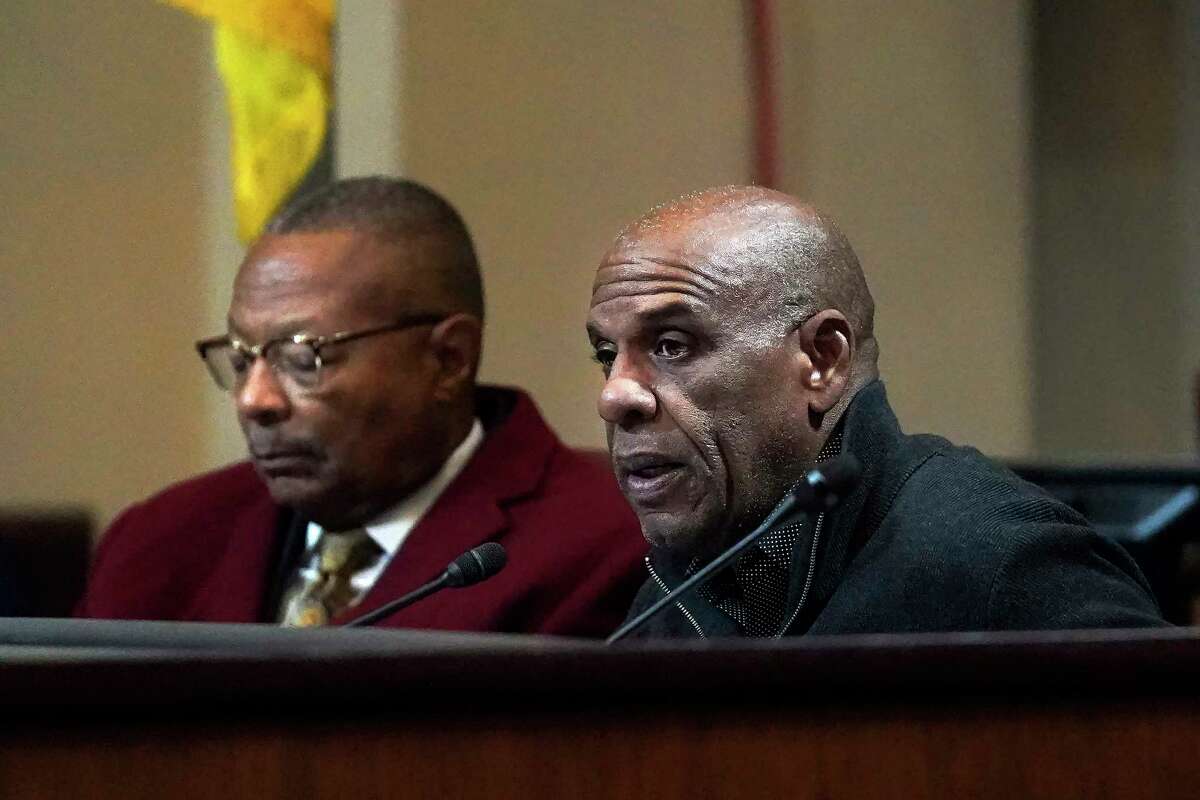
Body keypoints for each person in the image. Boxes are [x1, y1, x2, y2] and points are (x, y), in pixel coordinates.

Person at [586, 185, 1164, 638]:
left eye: (672, 347)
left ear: (822, 358)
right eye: (607, 355)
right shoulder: (671, 598)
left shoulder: (999, 561)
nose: (615, 396)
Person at [78, 177, 646, 635]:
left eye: (302, 357)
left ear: (447, 359)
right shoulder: (158, 541)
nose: (255, 400)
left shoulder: (610, 542)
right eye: (242, 356)